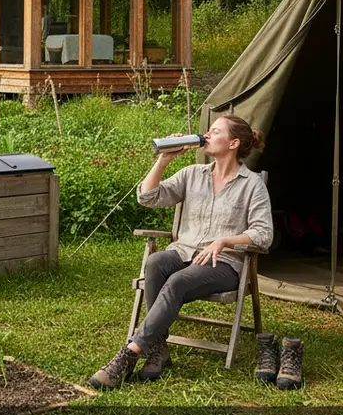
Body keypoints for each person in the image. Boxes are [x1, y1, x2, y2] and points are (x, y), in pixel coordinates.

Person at [88, 115, 273, 389]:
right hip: (185, 252)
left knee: (177, 281)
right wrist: (164, 160)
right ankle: (158, 351)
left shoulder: (252, 184)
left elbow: (264, 234)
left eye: (215, 131)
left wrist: (223, 241)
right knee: (155, 263)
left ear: (233, 143)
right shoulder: (192, 174)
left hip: (223, 264)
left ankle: (128, 355)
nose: (207, 135)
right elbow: (147, 198)